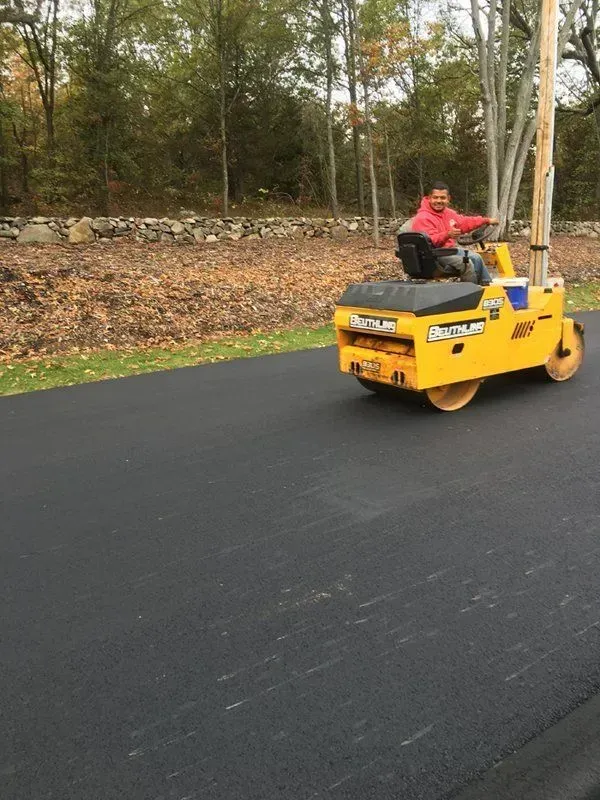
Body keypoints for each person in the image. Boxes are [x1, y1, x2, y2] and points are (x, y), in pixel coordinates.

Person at [408, 182, 499, 284]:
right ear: (429, 198)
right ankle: (470, 293)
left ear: (448, 199)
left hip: (448, 251)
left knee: (476, 257)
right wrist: (447, 234)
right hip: (433, 255)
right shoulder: (423, 217)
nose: (438, 201)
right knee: (466, 263)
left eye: (442, 198)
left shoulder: (448, 213)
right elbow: (429, 242)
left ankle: (486, 286)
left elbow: (465, 222)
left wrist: (486, 221)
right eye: (435, 197)